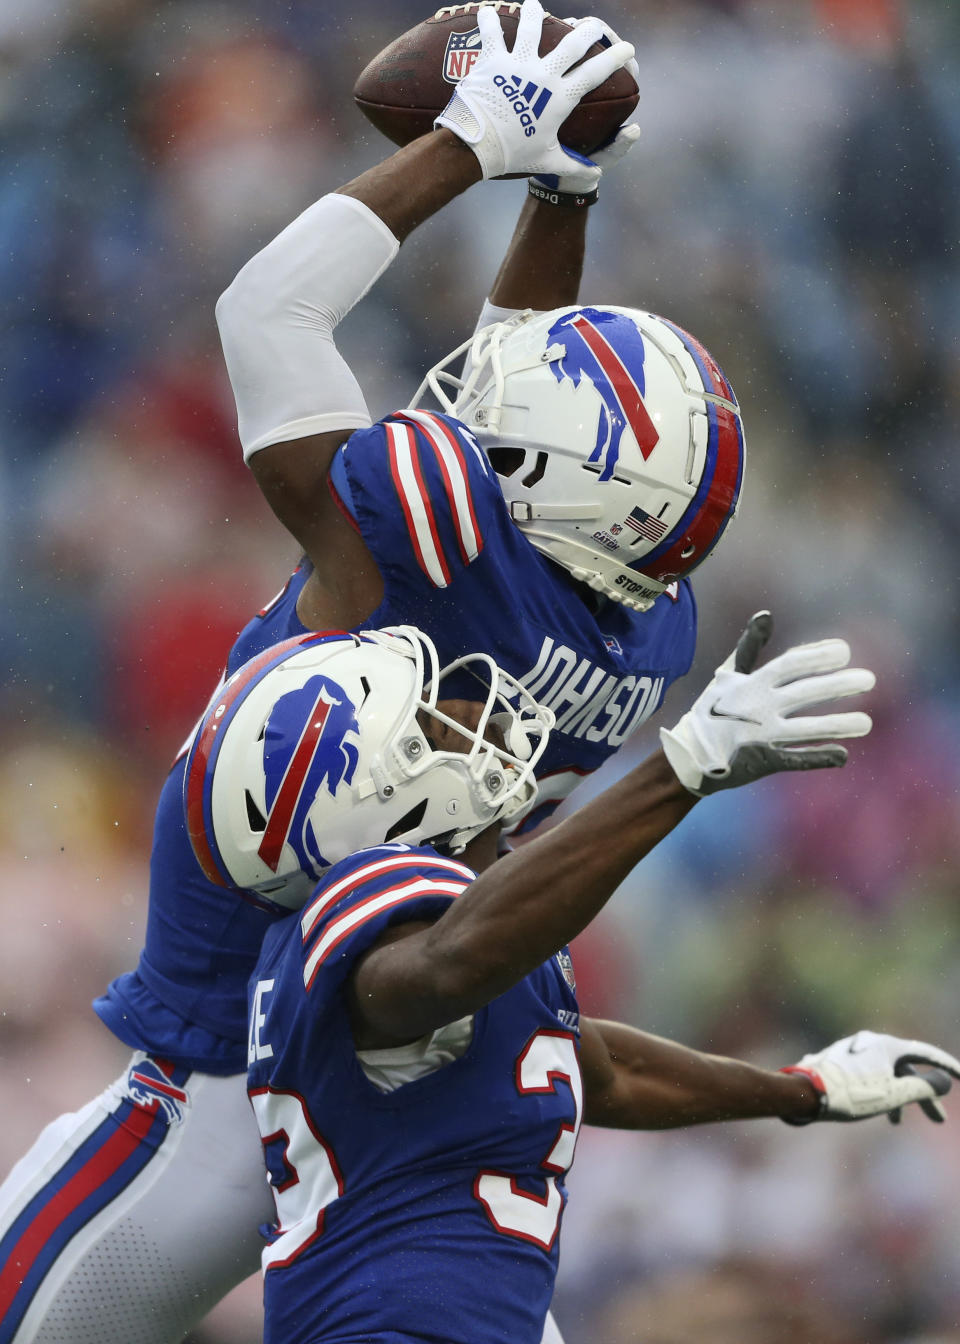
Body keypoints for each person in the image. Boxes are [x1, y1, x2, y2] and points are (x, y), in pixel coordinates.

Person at [0, 4, 847, 1340]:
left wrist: (470, 144)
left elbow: (263, 308)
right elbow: (527, 388)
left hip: (221, 1069)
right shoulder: (648, 628)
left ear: (533, 486)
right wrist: (565, 190)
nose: (485, 392)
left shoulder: (423, 540)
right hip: (415, 1092)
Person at [206, 621, 957, 1344]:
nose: (465, 721)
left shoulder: (467, 942)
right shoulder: (375, 908)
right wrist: (681, 769)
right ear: (374, 798)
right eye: (424, 727)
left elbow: (598, 1069)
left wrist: (802, 1090)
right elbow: (442, 969)